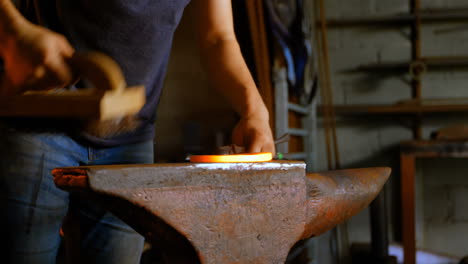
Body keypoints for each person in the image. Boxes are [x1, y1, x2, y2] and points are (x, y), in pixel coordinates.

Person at [0, 0, 275, 263]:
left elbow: (219, 37)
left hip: (129, 141)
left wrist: (254, 111)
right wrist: (13, 31)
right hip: (41, 122)